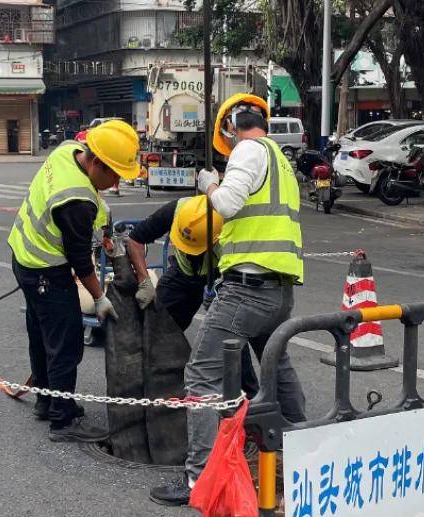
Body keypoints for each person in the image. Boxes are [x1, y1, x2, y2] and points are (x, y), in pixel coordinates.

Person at [149, 94, 306, 505]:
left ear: (231, 128)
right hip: (279, 290)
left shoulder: (248, 150)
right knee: (277, 368)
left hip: (247, 288)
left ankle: (198, 478)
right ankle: (302, 450)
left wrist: (209, 184)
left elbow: (228, 203)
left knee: (202, 375)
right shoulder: (281, 160)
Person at [8, 120, 140, 442]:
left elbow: (92, 198)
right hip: (46, 272)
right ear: (97, 163)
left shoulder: (67, 151)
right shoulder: (76, 202)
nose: (117, 181)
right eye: (115, 174)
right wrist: (99, 298)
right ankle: (62, 419)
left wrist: (104, 222)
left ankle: (46, 401)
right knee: (65, 344)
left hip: (23, 257)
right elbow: (81, 260)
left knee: (41, 334)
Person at [126, 195, 260, 397]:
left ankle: (248, 397)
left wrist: (220, 288)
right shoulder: (177, 209)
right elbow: (135, 239)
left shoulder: (233, 230)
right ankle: (150, 391)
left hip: (221, 275)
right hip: (182, 273)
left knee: (229, 337)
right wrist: (144, 280)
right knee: (155, 328)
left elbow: (242, 276)